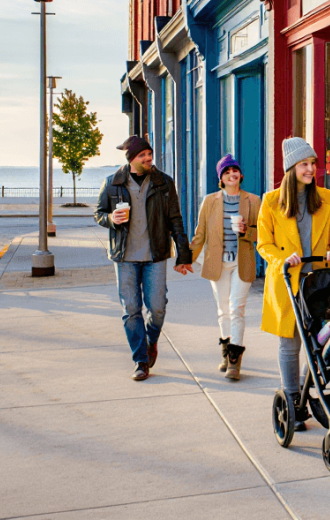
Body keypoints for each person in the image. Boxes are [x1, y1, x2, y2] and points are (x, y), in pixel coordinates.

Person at [257, 137, 330, 431]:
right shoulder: (270, 202)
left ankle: (311, 393)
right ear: (291, 168)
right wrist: (282, 259)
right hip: (287, 281)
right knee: (290, 345)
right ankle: (294, 401)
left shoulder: (325, 198)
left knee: (319, 343)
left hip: (319, 282)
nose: (311, 170)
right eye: (304, 164)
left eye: (313, 164)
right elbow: (264, 244)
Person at [95, 135, 193, 381]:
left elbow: (175, 220)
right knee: (131, 309)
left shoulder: (163, 183)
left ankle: (151, 339)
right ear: (131, 159)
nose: (149, 159)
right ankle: (140, 360)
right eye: (143, 156)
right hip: (125, 257)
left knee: (157, 307)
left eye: (150, 155)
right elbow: (99, 213)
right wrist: (110, 220)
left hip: (155, 255)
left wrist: (184, 255)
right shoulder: (112, 183)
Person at [190, 154, 260, 381]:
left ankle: (234, 359)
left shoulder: (253, 200)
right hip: (217, 262)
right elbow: (200, 234)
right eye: (227, 171)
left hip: (243, 261)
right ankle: (225, 349)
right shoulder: (210, 201)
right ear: (221, 177)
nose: (232, 174)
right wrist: (186, 259)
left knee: (237, 308)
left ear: (241, 174)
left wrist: (245, 232)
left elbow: (263, 233)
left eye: (235, 170)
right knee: (223, 310)